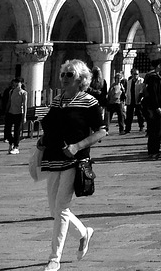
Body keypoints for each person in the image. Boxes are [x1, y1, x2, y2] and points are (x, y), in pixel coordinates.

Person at [39, 59, 106, 271]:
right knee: (54, 208)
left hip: (74, 160)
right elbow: (51, 127)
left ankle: (54, 258)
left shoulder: (89, 102)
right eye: (63, 74)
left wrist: (78, 146)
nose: (64, 78)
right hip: (53, 157)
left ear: (80, 79)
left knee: (61, 207)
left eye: (69, 75)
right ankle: (84, 233)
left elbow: (102, 131)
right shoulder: (57, 101)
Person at [3, 77, 28, 154]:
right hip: (10, 112)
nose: (16, 84)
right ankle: (11, 141)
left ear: (21, 83)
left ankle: (16, 146)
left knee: (16, 131)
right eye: (15, 82)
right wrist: (6, 111)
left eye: (18, 82)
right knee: (7, 130)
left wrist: (24, 117)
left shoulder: (23, 93)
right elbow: (9, 102)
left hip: (18, 113)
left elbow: (25, 105)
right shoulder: (11, 91)